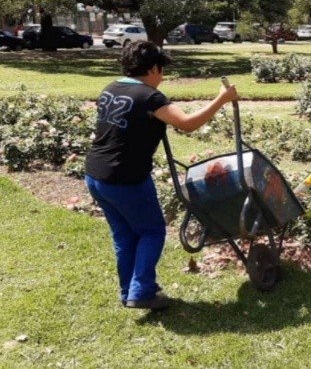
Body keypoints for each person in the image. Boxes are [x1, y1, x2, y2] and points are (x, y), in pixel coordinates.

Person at [84, 41, 238, 311]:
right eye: (162, 69)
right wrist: (222, 99)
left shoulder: (111, 88)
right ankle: (141, 292)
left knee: (124, 236)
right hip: (125, 178)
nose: (162, 76)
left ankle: (129, 291)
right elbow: (187, 124)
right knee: (152, 232)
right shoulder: (149, 96)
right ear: (153, 68)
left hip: (95, 174)